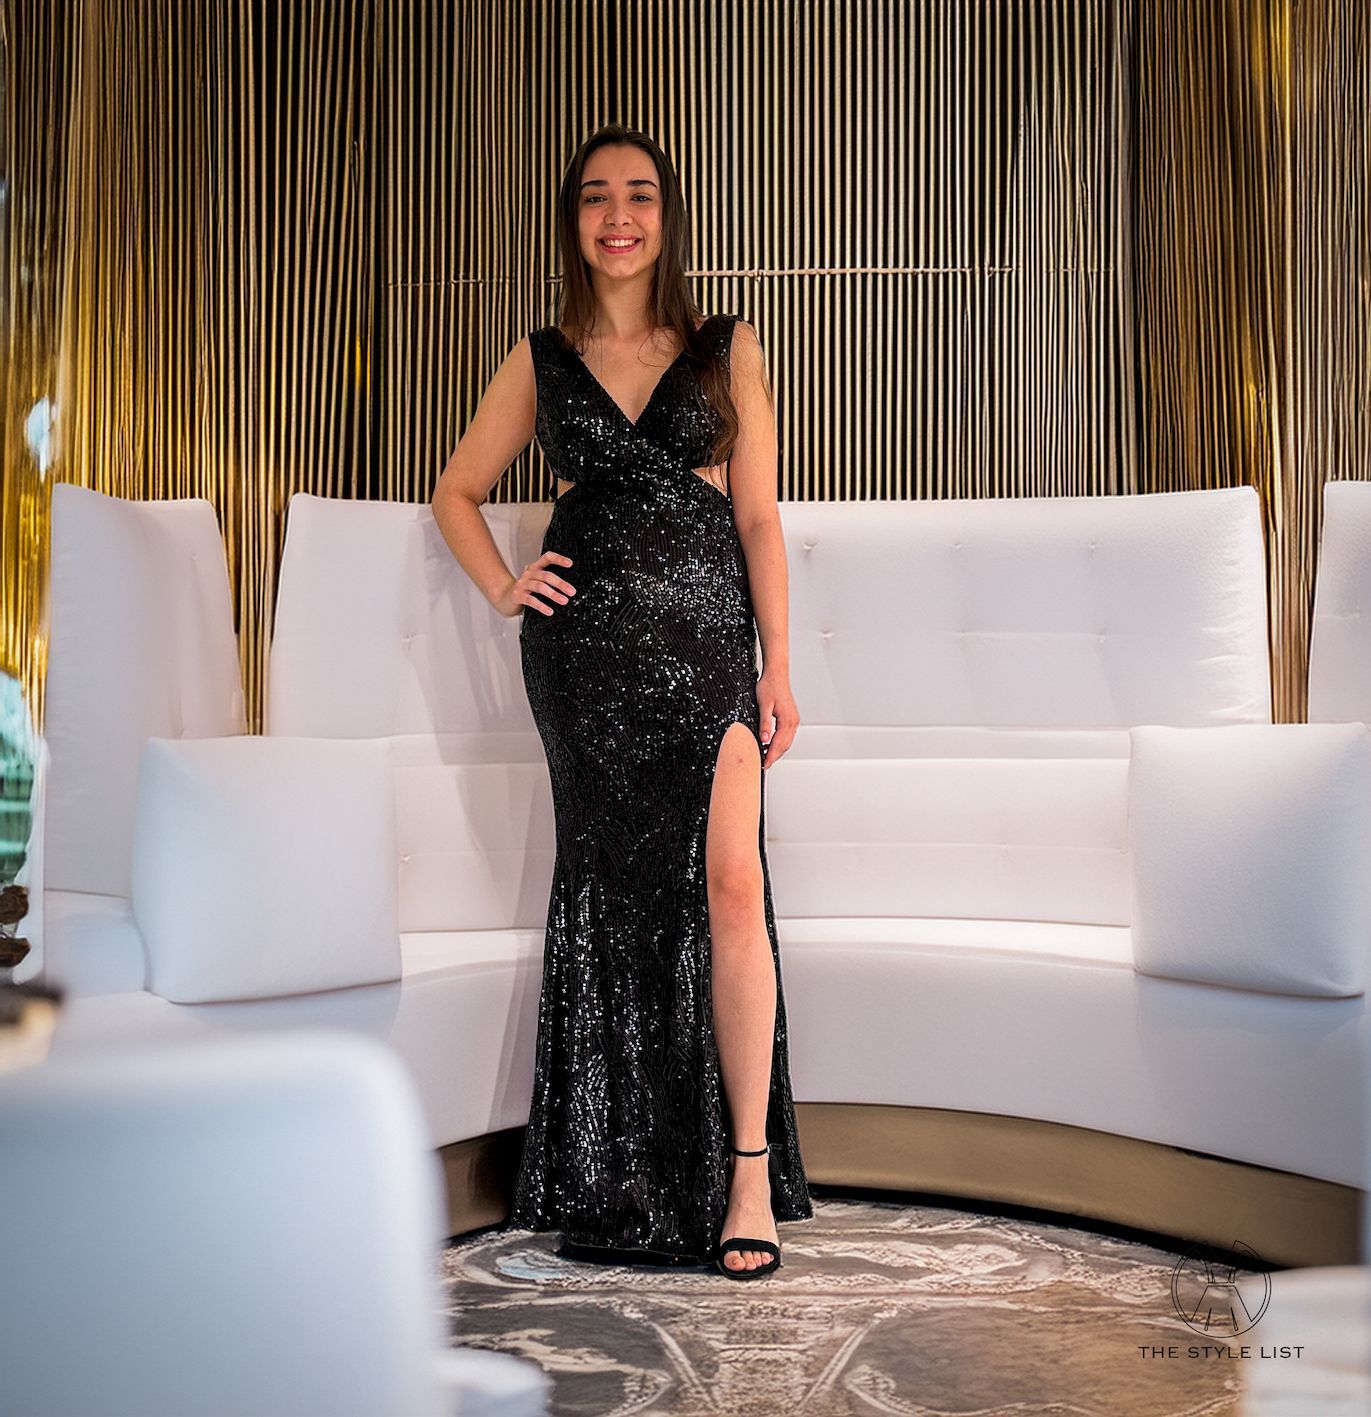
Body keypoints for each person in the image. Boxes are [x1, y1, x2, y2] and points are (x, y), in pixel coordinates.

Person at [430, 123, 812, 1279]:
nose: (618, 216)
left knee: (731, 884)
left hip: (706, 649)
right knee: (612, 898)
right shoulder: (540, 358)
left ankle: (746, 1171)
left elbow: (757, 517)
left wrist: (776, 663)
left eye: (638, 194)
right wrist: (506, 585)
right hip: (584, 660)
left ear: (666, 215)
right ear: (574, 219)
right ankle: (619, 1172)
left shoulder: (726, 346)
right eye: (596, 196)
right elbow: (456, 489)